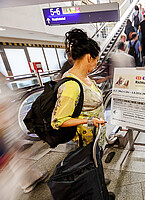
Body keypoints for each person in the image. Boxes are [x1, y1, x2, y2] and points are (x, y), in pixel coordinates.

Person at [50, 28, 115, 199]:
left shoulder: (85, 78)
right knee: (88, 171)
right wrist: (88, 121)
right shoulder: (71, 85)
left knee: (96, 165)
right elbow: (58, 121)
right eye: (96, 60)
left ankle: (102, 190)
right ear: (88, 57)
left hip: (95, 138)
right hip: (84, 141)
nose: (97, 64)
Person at [0, 73, 49, 198]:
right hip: (5, 132)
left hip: (7, 130)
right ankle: (29, 181)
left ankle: (30, 179)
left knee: (16, 156)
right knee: (12, 160)